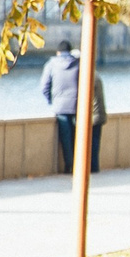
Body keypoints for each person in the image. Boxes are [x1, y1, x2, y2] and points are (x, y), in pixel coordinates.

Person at [39, 37, 106, 173]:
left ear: (58, 52)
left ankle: (70, 167)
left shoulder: (51, 65)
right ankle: (81, 167)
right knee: (79, 139)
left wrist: (52, 101)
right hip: (77, 107)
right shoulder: (79, 64)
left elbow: (44, 87)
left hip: (60, 107)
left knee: (66, 139)